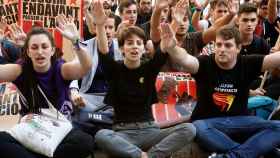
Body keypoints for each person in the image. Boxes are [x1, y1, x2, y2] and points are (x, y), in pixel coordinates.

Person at [91, 0, 196, 157]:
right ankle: (140, 155)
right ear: (121, 48)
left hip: (150, 130)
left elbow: (165, 44)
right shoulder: (114, 69)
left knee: (189, 129)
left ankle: (150, 155)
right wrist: (99, 25)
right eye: (129, 43)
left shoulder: (149, 68)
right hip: (123, 134)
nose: (134, 46)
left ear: (143, 49)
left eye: (139, 43)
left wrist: (176, 22)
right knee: (101, 136)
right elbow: (103, 51)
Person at [166, 24, 280, 157]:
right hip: (207, 126)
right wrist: (172, 48)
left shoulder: (248, 63)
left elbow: (276, 59)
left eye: (228, 45)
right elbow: (184, 59)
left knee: (278, 126)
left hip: (240, 123)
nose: (221, 49)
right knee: (197, 127)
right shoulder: (204, 63)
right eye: (218, 45)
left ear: (238, 48)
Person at [0, 15, 94, 158]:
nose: (40, 52)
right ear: (28, 52)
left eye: (44, 47)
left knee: (85, 142)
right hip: (30, 129)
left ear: (52, 50)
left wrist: (76, 41)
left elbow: (85, 66)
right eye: (34, 47)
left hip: (58, 129)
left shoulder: (61, 69)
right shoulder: (20, 69)